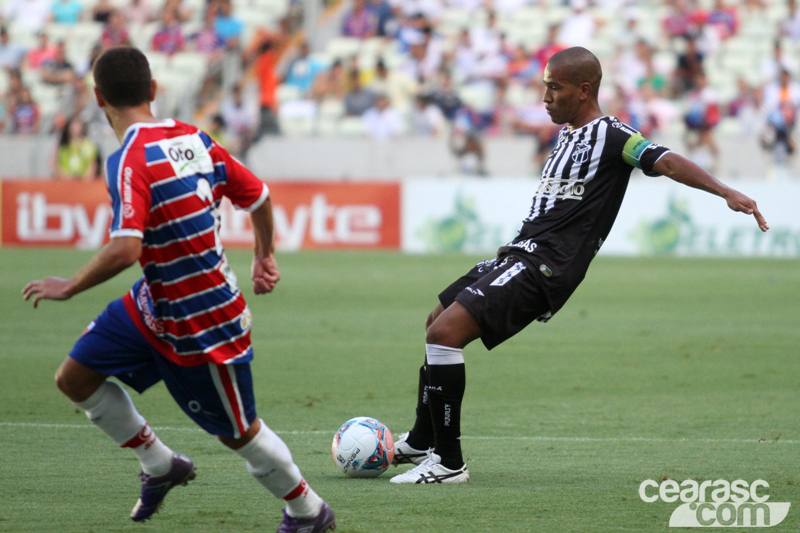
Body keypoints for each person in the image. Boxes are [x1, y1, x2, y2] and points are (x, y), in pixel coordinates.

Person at [388, 47, 769, 485]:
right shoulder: (567, 135)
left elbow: (664, 160)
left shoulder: (613, 134)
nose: (545, 97)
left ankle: (449, 462)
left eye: (555, 87)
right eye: (545, 87)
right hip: (518, 252)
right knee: (435, 319)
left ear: (584, 90)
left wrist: (724, 191)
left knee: (444, 335)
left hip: (546, 266)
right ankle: (422, 438)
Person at [22, 46, 335, 533]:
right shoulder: (195, 138)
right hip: (152, 304)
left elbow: (126, 249)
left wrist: (69, 286)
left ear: (98, 97)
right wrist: (264, 253)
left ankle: (308, 509)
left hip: (204, 322)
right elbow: (260, 196)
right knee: (75, 378)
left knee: (240, 434)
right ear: (152, 90)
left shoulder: (128, 159)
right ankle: (161, 464)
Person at [51, 115, 99, 179]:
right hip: (65, 182)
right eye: (74, 125)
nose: (76, 128)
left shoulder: (88, 146)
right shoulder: (62, 145)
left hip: (82, 182)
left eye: (78, 125)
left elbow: (92, 165)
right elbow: (54, 164)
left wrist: (85, 178)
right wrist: (65, 176)